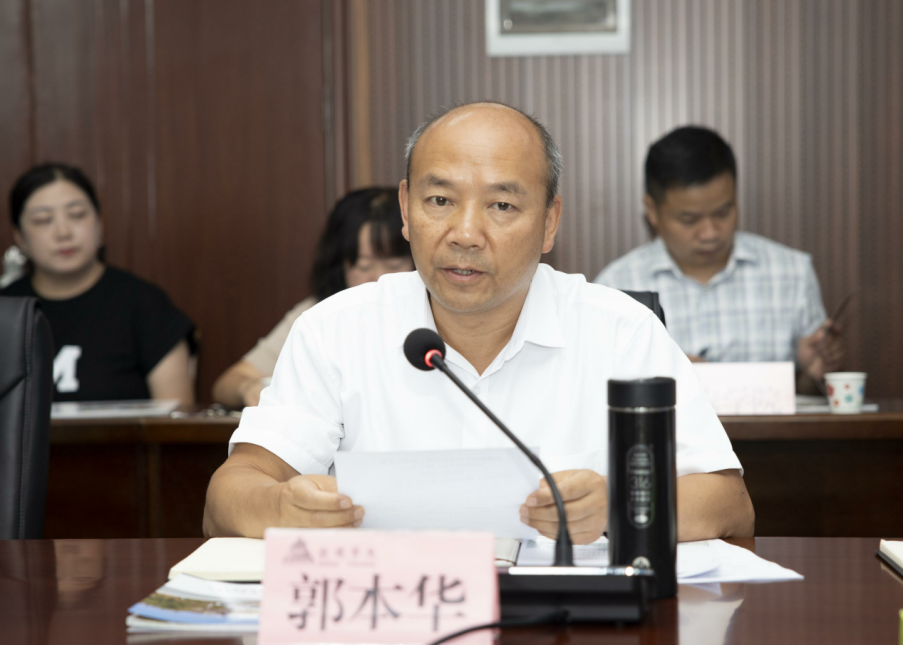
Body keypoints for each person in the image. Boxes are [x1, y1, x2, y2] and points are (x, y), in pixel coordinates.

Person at [203, 102, 754, 544]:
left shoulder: (621, 331)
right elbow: (227, 497)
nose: (465, 234)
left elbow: (728, 504)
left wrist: (618, 507)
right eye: (440, 199)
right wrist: (281, 506)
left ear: (550, 222)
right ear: (406, 208)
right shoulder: (335, 330)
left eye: (501, 206)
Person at [594, 126, 843, 392]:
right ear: (652, 211)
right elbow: (594, 390)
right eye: (689, 220)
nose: (710, 233)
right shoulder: (614, 287)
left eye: (723, 213)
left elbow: (810, 397)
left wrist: (813, 372)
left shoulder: (792, 273)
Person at [1, 162, 195, 404]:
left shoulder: (145, 305)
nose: (63, 232)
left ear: (99, 223)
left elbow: (176, 416)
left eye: (77, 215)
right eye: (43, 220)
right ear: (19, 237)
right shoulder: (6, 310)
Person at [211, 188, 415, 408]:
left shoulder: (431, 308)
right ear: (340, 265)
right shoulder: (319, 313)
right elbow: (228, 383)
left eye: (394, 265)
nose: (379, 278)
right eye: (363, 266)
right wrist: (248, 389)